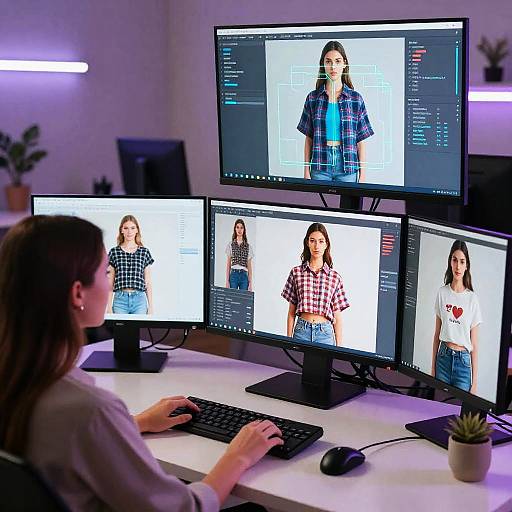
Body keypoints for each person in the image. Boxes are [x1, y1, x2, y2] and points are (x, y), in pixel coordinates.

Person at [0, 215, 283, 511]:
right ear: (77, 293)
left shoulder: (19, 379)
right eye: (105, 271)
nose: (111, 282)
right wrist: (238, 455)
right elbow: (184, 509)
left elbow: (61, 443)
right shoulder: (90, 410)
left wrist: (136, 423)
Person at [297, 40, 374, 183]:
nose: (333, 66)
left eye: (337, 61)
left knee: (348, 206)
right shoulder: (313, 98)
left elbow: (361, 141)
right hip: (320, 164)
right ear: (323, 65)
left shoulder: (356, 99)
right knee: (316, 206)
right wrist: (306, 170)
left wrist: (363, 175)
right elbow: (308, 138)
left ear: (344, 64)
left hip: (348, 167)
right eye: (328, 61)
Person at [281, 223, 349, 346]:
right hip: (301, 331)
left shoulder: (335, 277)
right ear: (307, 243)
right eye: (312, 241)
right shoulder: (296, 273)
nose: (316, 246)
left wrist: (340, 348)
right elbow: (291, 312)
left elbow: (337, 317)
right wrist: (288, 340)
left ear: (326, 244)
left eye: (321, 241)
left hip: (325, 334)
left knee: (324, 366)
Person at [431, 240, 482, 393]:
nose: (458, 266)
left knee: (459, 414)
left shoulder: (472, 299)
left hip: (463, 365)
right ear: (450, 262)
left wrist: (474, 383)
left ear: (467, 266)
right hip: (443, 359)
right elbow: (436, 334)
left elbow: (474, 345)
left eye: (462, 261)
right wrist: (433, 368)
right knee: (439, 409)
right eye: (454, 260)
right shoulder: (442, 293)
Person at [107, 215, 154, 315]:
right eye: (126, 228)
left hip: (139, 300)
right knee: (120, 330)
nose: (129, 231)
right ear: (121, 230)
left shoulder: (144, 252)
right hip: (120, 300)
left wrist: (151, 307)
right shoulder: (114, 252)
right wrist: (108, 307)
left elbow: (148, 282)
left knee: (137, 329)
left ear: (137, 230)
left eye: (132, 228)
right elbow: (109, 282)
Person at [225, 218, 254, 291]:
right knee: (233, 299)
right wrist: (227, 281)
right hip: (233, 275)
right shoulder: (230, 245)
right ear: (235, 229)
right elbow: (228, 264)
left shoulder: (248, 246)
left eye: (241, 228)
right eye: (237, 227)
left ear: (244, 230)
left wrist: (250, 283)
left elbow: (249, 266)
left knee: (242, 300)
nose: (239, 230)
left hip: (244, 275)